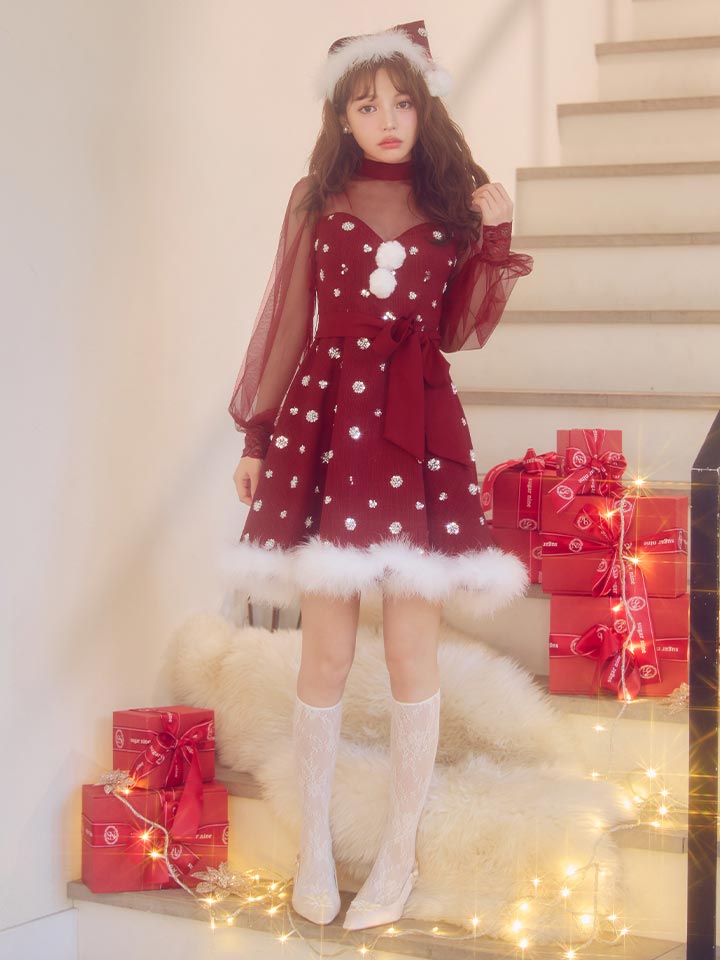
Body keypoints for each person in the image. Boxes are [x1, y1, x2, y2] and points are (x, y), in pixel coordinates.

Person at [224, 20, 534, 931]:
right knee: (324, 650)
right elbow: (288, 321)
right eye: (367, 105)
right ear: (342, 115)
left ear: (425, 106)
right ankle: (315, 850)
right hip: (328, 425)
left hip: (418, 427)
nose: (388, 120)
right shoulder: (315, 198)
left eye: (402, 102)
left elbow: (462, 329)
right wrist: (258, 436)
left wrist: (495, 232)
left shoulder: (453, 198)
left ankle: (399, 852)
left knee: (409, 650)